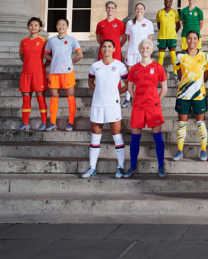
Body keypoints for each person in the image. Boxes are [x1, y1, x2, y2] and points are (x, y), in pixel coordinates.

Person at [82, 39, 128, 179]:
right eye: (104, 46)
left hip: (112, 105)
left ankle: (120, 167)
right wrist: (97, 90)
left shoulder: (120, 66)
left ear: (114, 49)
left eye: (109, 46)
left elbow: (128, 83)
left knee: (117, 136)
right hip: (98, 104)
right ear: (100, 49)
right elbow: (90, 81)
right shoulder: (95, 66)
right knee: (95, 137)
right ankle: (92, 167)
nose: (106, 49)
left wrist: (117, 92)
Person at [124, 38, 168, 178]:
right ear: (139, 50)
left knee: (158, 137)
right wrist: (136, 97)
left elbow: (164, 88)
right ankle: (132, 167)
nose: (145, 50)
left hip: (153, 106)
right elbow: (130, 87)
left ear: (152, 50)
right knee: (135, 138)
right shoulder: (135, 68)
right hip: (138, 106)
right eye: (142, 48)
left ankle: (161, 166)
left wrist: (156, 100)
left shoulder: (158, 67)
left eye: (147, 48)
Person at [173, 31, 208, 162]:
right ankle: (180, 150)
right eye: (189, 38)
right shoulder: (180, 56)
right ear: (186, 40)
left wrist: (197, 85)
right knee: (182, 124)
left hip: (199, 95)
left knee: (201, 123)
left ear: (198, 40)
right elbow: (179, 74)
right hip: (183, 95)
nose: (192, 41)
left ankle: (204, 150)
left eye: (194, 38)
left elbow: (206, 74)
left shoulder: (205, 56)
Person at [43, 19, 83, 131]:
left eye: (63, 25)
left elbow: (80, 55)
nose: (61, 27)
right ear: (56, 26)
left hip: (67, 72)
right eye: (59, 24)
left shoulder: (71, 39)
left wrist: (70, 62)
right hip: (54, 72)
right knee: (54, 97)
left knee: (70, 97)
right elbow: (46, 55)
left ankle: (70, 122)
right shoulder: (51, 40)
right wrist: (54, 60)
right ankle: (52, 123)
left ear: (67, 26)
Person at [16, 17, 49, 131]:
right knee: (26, 98)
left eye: (36, 25)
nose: (33, 27)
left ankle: (44, 122)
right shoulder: (23, 41)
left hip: (38, 73)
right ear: (28, 27)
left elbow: (49, 57)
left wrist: (42, 67)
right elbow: (22, 56)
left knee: (40, 97)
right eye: (31, 25)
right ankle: (25, 123)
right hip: (26, 73)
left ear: (40, 27)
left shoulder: (44, 40)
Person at [123, 3, 154, 108]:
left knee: (143, 76)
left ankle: (143, 98)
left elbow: (149, 38)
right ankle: (127, 98)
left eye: (141, 8)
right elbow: (129, 38)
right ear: (135, 10)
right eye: (137, 8)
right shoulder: (129, 23)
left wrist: (146, 50)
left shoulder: (148, 23)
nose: (139, 10)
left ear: (144, 10)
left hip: (142, 53)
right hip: (131, 53)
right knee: (130, 75)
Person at [156, 0, 181, 75]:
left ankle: (175, 73)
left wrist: (173, 32)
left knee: (173, 56)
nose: (168, 3)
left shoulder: (175, 12)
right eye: (166, 1)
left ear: (171, 3)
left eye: (169, 1)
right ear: (164, 2)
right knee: (161, 57)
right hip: (162, 37)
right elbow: (158, 25)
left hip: (172, 37)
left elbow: (178, 25)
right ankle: (159, 74)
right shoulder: (159, 12)